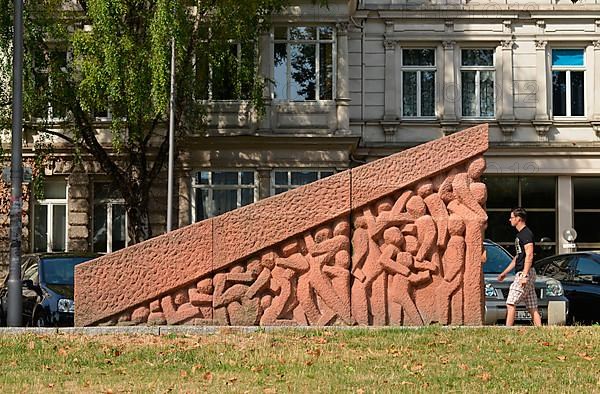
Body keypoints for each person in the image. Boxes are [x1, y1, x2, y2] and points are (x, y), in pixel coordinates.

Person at [497, 207, 542, 326]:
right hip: (526, 272)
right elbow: (518, 257)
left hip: (525, 272)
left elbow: (530, 254)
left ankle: (508, 331)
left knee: (511, 302)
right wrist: (505, 273)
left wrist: (524, 275)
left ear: (518, 219)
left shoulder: (526, 234)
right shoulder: (520, 235)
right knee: (532, 307)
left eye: (512, 217)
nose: (510, 219)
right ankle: (540, 330)